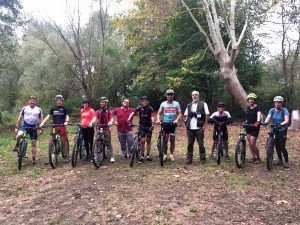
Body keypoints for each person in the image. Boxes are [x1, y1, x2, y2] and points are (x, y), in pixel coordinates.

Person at [13, 96, 43, 164]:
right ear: (28, 101)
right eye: (31, 100)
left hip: (33, 128)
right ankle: (17, 144)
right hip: (24, 127)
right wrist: (16, 127)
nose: (32, 102)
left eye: (34, 101)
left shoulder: (38, 109)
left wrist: (41, 128)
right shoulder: (25, 108)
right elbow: (20, 118)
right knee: (19, 135)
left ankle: (33, 158)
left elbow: (41, 119)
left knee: (34, 144)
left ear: (36, 102)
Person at [40, 95, 70, 161]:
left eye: (60, 100)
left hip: (62, 126)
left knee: (63, 141)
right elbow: (48, 116)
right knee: (52, 141)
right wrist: (42, 123)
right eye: (58, 100)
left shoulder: (65, 109)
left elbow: (67, 116)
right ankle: (51, 156)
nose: (59, 101)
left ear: (62, 101)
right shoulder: (53, 108)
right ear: (56, 101)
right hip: (54, 126)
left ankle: (65, 153)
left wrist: (67, 121)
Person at [184, 90, 209, 164]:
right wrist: (186, 120)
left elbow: (207, 115)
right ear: (191, 96)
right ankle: (189, 158)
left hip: (199, 128)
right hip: (190, 128)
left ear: (198, 96)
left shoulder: (203, 104)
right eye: (193, 95)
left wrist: (204, 126)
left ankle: (202, 159)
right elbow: (186, 114)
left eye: (196, 95)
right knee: (189, 144)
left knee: (201, 144)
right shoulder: (189, 105)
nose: (194, 96)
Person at [264, 96, 290, 168]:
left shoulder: (284, 110)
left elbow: (286, 120)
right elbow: (268, 117)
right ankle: (280, 160)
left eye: (279, 102)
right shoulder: (272, 110)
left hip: (282, 129)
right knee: (277, 146)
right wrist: (265, 122)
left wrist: (281, 124)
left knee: (282, 146)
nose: (277, 104)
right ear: (274, 103)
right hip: (274, 128)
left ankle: (286, 162)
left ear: (281, 103)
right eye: (276, 102)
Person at [157, 89, 182, 162]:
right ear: (166, 95)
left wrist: (177, 120)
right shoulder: (163, 104)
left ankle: (171, 154)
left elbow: (180, 113)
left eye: (171, 94)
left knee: (172, 139)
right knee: (165, 140)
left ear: (173, 95)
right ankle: (165, 155)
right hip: (165, 123)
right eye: (168, 94)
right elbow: (159, 113)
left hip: (173, 124)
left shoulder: (176, 103)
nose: (170, 96)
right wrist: (158, 120)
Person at [127, 96, 155, 161]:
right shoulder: (139, 108)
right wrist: (129, 119)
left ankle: (148, 155)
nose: (144, 102)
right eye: (143, 101)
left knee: (148, 140)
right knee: (142, 141)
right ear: (141, 102)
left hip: (149, 126)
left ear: (148, 102)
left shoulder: (150, 108)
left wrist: (153, 123)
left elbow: (152, 116)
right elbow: (133, 113)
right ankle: (142, 155)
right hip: (142, 126)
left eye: (146, 101)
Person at [89, 97, 115, 163]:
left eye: (103, 102)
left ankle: (111, 156)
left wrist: (110, 122)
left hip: (106, 128)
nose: (101, 103)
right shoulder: (98, 111)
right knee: (96, 142)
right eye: (101, 102)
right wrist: (91, 122)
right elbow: (94, 118)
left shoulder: (109, 111)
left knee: (108, 143)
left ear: (106, 103)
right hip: (99, 127)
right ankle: (95, 156)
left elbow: (112, 118)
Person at [243, 93, 262, 164]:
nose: (250, 100)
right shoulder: (248, 108)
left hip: (255, 127)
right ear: (248, 100)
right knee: (250, 144)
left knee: (252, 143)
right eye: (249, 99)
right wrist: (245, 122)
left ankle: (258, 158)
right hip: (248, 126)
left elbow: (258, 115)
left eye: (252, 99)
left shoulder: (258, 108)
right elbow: (247, 118)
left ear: (254, 100)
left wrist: (258, 122)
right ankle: (253, 157)